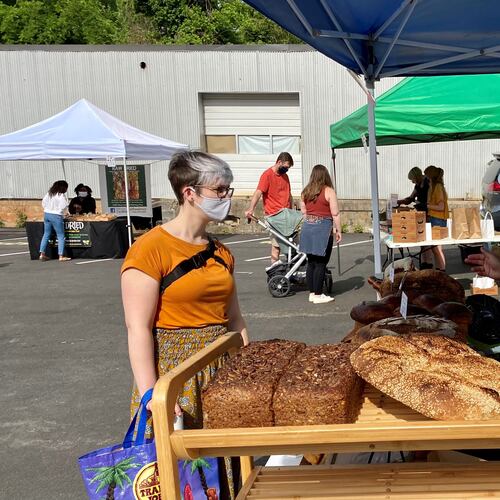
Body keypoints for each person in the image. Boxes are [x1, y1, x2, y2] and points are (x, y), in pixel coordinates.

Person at [121, 151, 248, 500]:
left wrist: (248, 368)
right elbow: (138, 328)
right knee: (182, 475)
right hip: (174, 372)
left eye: (228, 190)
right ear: (189, 193)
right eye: (219, 190)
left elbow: (234, 319)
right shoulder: (150, 250)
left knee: (225, 470)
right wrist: (152, 392)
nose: (226, 198)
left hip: (221, 366)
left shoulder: (221, 251)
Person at [299, 164, 341, 304]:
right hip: (323, 228)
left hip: (307, 228)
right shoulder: (329, 191)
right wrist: (338, 230)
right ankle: (318, 294)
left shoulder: (305, 192)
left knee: (311, 262)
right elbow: (335, 213)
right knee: (321, 262)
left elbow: (303, 212)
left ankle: (312, 292)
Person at [245, 152, 294, 264]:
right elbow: (258, 192)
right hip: (274, 216)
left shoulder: (285, 177)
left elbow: (289, 194)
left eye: (288, 168)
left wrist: (292, 210)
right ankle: (274, 269)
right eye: (286, 167)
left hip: (286, 215)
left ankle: (291, 268)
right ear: (279, 162)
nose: (287, 170)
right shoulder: (267, 175)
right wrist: (251, 209)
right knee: (276, 246)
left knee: (292, 245)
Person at [397, 166, 433, 269]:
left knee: (428, 240)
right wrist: (400, 201)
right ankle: (424, 262)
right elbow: (411, 198)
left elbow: (432, 198)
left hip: (429, 212)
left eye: (412, 179)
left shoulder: (428, 182)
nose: (412, 182)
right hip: (420, 213)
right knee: (422, 238)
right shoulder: (417, 185)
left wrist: (422, 203)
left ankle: (428, 262)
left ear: (416, 176)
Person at [39, 180, 71, 262]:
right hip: (56, 215)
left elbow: (43, 203)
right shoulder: (61, 195)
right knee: (60, 235)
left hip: (47, 214)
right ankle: (61, 255)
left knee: (46, 234)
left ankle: (42, 254)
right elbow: (64, 206)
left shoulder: (49, 193)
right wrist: (62, 212)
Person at [425, 165, 449, 272]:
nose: (425, 178)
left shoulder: (438, 187)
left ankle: (442, 271)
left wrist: (427, 206)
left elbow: (441, 207)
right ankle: (439, 270)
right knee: (435, 248)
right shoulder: (434, 186)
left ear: (431, 176)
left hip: (438, 219)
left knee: (437, 248)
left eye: (426, 175)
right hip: (434, 218)